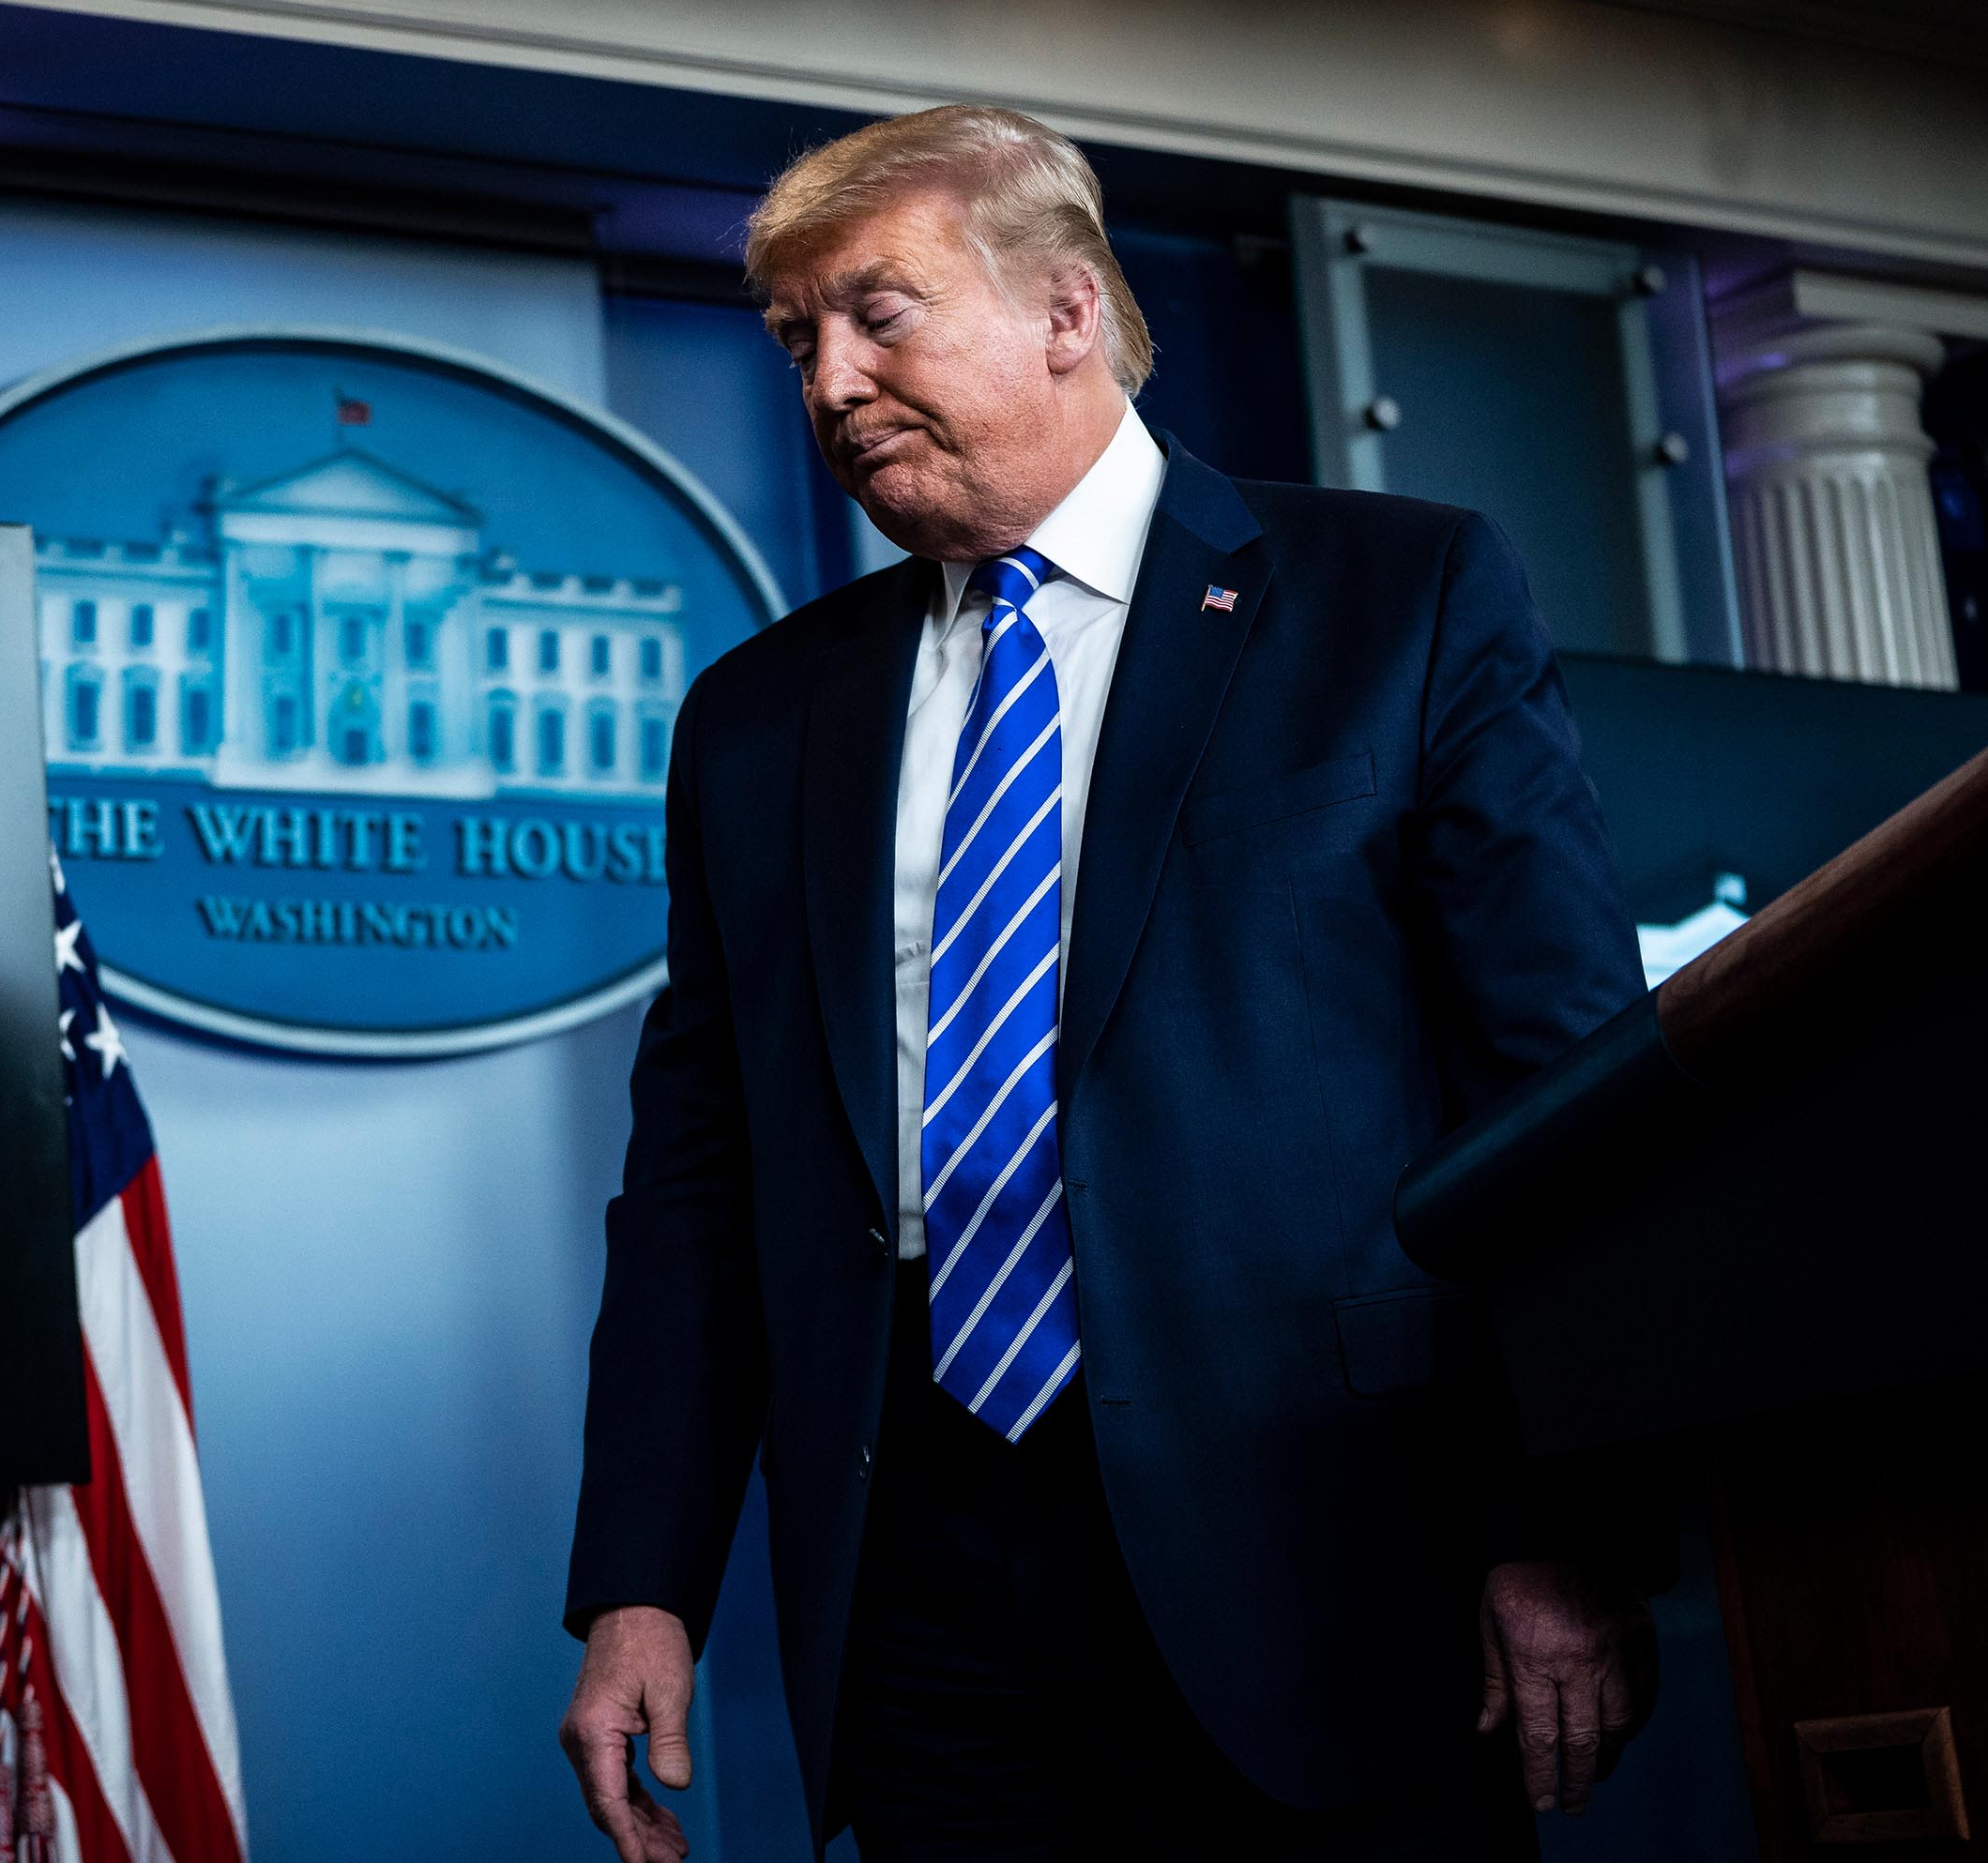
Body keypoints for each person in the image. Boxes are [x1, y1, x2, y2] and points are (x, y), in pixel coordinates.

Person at [556, 106, 1660, 1860]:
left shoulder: (1399, 596)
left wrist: (1566, 1520)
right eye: (796, 340)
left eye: (879, 313)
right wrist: (637, 1583)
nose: (832, 381)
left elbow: (1564, 1091)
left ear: (1069, 311)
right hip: (917, 1562)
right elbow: (699, 1177)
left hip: (1332, 1542)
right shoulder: (758, 718)